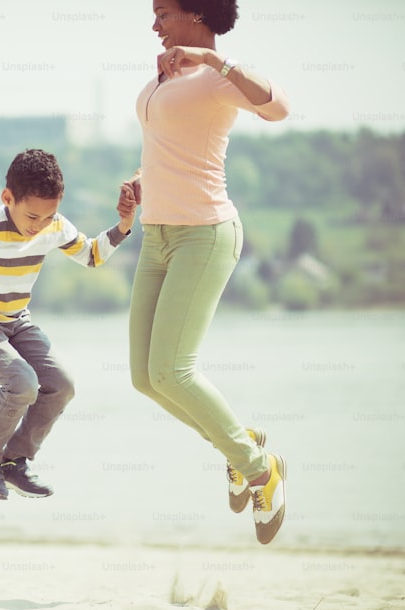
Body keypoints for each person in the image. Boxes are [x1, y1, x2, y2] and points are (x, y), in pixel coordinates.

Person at [121, 0, 291, 544]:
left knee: (175, 370)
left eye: (162, 12)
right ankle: (242, 441)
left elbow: (279, 107)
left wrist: (212, 60)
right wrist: (143, 181)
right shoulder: (165, 75)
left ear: (196, 15)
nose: (153, 23)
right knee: (146, 378)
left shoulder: (219, 78)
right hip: (157, 235)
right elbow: (173, 144)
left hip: (205, 233)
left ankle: (261, 469)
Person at [0, 149, 138, 500]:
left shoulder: (54, 226)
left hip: (17, 323)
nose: (38, 226)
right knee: (22, 383)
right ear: (8, 198)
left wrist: (125, 224)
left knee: (61, 384)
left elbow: (93, 255)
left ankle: (13, 462)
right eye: (32, 215)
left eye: (48, 216)